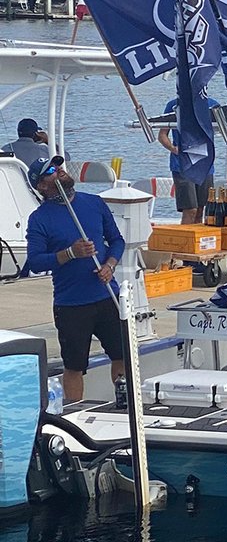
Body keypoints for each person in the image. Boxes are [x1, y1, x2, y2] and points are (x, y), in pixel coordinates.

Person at [25, 157, 126, 404]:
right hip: (71, 304)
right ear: (41, 186)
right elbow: (35, 262)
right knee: (74, 365)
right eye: (50, 170)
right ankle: (75, 414)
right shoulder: (39, 218)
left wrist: (110, 265)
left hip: (106, 295)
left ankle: (126, 403)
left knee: (121, 355)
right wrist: (70, 253)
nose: (59, 171)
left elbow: (117, 240)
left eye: (58, 166)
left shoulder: (94, 203)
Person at [158, 98, 221, 225]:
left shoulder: (212, 105)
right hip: (182, 165)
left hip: (205, 165)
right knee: (190, 209)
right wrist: (173, 148)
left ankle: (196, 241)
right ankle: (186, 242)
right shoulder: (173, 105)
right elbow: (162, 134)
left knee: (201, 209)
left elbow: (223, 129)